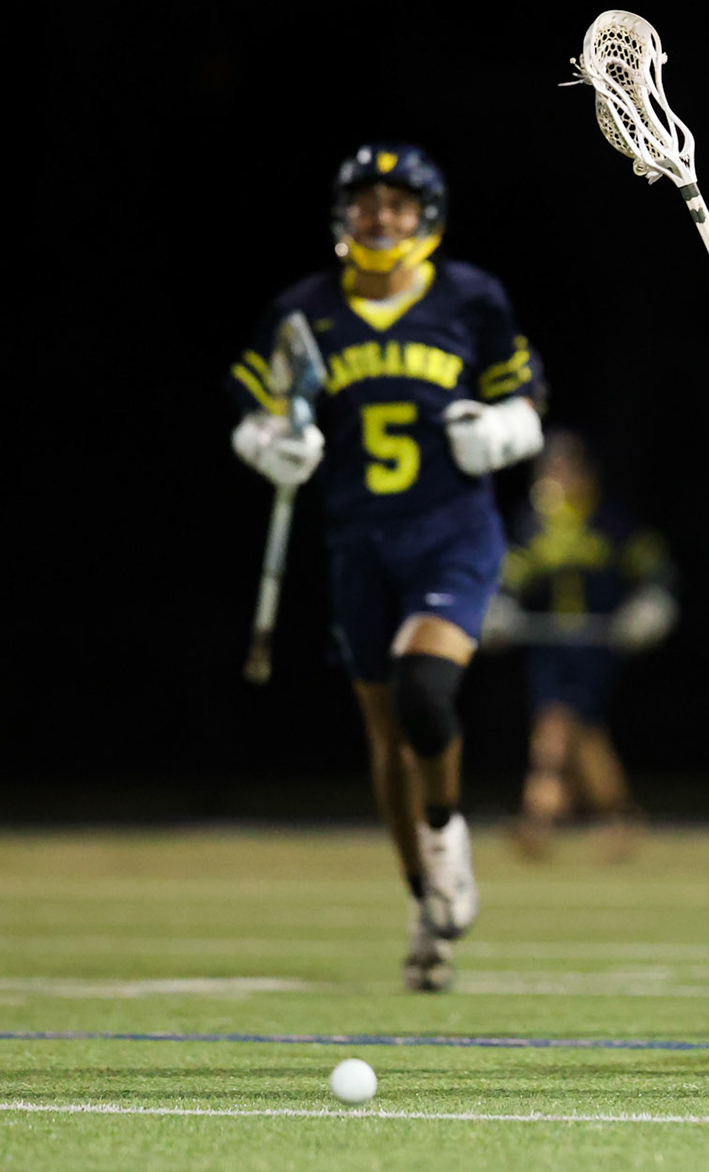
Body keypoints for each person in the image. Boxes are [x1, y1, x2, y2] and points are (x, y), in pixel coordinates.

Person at [228, 143, 546, 992]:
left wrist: (504, 431)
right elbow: (255, 405)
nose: (382, 217)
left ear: (426, 216)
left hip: (452, 533)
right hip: (357, 542)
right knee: (385, 737)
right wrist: (271, 445)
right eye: (368, 202)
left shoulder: (471, 299)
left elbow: (528, 398)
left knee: (422, 692)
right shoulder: (305, 311)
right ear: (344, 214)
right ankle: (423, 902)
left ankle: (447, 839)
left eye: (399, 203)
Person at [485, 428, 678, 860]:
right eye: (551, 470)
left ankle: (539, 819)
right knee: (581, 736)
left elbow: (654, 567)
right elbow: (508, 579)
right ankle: (616, 819)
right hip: (548, 647)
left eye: (567, 469)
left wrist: (649, 607)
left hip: (595, 647)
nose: (558, 479)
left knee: (556, 728)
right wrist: (497, 609)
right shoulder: (532, 526)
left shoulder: (609, 522)